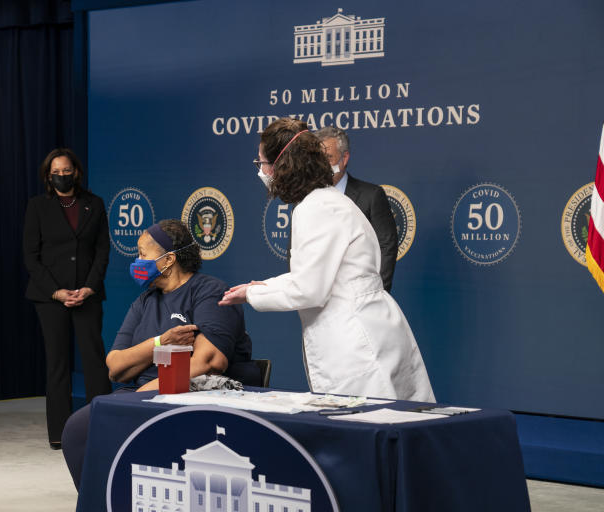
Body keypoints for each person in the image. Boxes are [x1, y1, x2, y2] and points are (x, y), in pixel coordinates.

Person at [221, 118, 434, 402]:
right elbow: (320, 274)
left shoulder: (315, 209)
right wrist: (265, 286)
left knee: (369, 430)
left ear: (280, 166)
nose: (261, 172)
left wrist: (253, 294)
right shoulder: (329, 201)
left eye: (261, 163)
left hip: (356, 341)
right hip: (371, 329)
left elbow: (309, 289)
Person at [61, 220, 253, 489]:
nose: (136, 261)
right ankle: (102, 510)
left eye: (142, 254)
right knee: (79, 429)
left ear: (168, 259)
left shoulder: (209, 291)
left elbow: (209, 361)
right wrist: (160, 342)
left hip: (191, 396)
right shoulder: (145, 301)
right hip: (143, 394)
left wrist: (144, 397)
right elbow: (115, 366)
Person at [23, 148, 112, 449]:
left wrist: (89, 287)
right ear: (48, 176)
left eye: (67, 170)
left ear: (77, 171)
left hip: (88, 294)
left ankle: (102, 427)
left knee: (94, 361)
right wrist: (57, 292)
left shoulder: (94, 204)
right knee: (57, 363)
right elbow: (31, 258)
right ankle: (60, 434)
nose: (62, 175)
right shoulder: (37, 206)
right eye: (56, 172)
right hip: (51, 298)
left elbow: (102, 251)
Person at [316, 126, 398, 291]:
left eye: (328, 158)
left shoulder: (371, 196)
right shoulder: (306, 199)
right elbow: (295, 252)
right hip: (319, 301)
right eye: (318, 159)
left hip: (361, 300)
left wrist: (376, 295)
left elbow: (386, 248)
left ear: (344, 158)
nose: (322, 166)